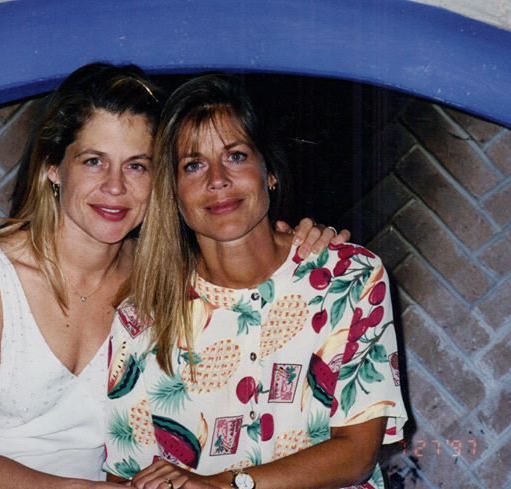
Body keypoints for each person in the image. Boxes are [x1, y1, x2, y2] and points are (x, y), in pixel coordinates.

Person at [0, 64, 345, 489]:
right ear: (53, 166)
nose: (115, 186)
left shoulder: (161, 278)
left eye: (137, 165)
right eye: (94, 161)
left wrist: (305, 242)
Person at [103, 75, 407, 489]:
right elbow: (126, 476)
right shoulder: (142, 319)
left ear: (270, 173)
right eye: (193, 165)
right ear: (172, 193)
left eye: (236, 156)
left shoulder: (349, 278)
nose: (217, 179)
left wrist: (226, 485)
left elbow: (356, 454)